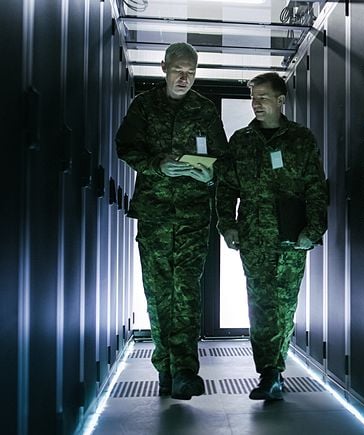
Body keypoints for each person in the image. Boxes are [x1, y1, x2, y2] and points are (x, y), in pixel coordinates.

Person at [116, 42, 228, 400]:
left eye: (191, 72)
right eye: (179, 69)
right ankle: (164, 366)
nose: (184, 77)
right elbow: (126, 147)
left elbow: (221, 159)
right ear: (164, 66)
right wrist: (156, 165)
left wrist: (208, 176)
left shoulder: (205, 111)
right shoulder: (144, 106)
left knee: (187, 292)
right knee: (159, 292)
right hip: (155, 214)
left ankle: (184, 371)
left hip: (195, 214)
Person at [215, 72, 328, 401]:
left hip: (293, 235)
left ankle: (274, 369)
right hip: (254, 234)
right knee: (261, 304)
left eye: (263, 97)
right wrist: (227, 225)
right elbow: (226, 188)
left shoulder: (301, 139)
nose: (256, 103)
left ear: (281, 101)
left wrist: (314, 229)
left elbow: (315, 188)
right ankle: (270, 373)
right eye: (253, 97)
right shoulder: (241, 141)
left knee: (284, 305)